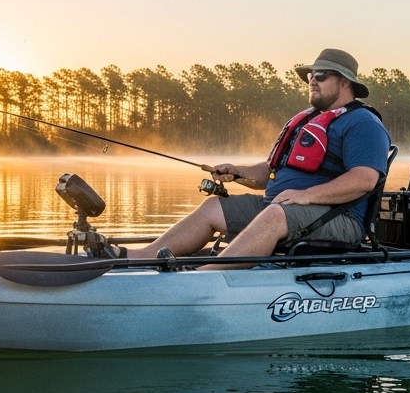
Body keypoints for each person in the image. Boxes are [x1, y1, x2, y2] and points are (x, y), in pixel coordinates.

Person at [128, 49, 392, 269]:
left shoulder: (362, 123)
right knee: (213, 208)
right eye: (311, 76)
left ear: (345, 82)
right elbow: (270, 172)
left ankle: (205, 276)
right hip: (280, 206)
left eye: (321, 76)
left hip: (339, 219)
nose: (312, 80)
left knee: (275, 215)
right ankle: (139, 258)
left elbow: (364, 179)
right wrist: (238, 172)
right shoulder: (307, 119)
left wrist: (306, 195)